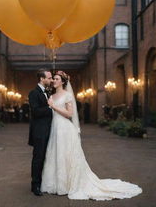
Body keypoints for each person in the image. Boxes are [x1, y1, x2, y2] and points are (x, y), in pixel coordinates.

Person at [41, 71, 142, 200]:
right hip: (55, 128)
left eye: (56, 79)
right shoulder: (52, 95)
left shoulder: (67, 95)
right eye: (53, 79)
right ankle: (57, 184)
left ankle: (68, 185)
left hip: (65, 129)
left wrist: (54, 107)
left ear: (63, 82)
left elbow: (69, 114)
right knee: (56, 154)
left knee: (66, 155)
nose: (53, 81)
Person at [28, 69, 53, 196]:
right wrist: (51, 109)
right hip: (39, 131)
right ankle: (35, 185)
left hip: (50, 130)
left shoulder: (48, 92)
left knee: (47, 157)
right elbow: (36, 111)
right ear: (41, 79)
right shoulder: (33, 93)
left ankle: (44, 182)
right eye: (49, 78)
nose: (51, 80)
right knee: (38, 158)